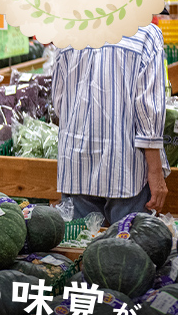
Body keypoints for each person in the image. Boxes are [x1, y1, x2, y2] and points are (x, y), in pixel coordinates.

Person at [51, 23, 170, 224]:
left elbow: (59, 102)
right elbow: (149, 110)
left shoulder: (68, 30)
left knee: (79, 250)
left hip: (76, 166)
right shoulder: (146, 34)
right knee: (127, 250)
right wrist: (156, 172)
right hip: (125, 169)